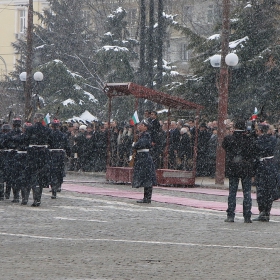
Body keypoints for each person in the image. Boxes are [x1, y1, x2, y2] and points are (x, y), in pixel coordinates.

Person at [222, 119, 257, 223]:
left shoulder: (229, 138)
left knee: (232, 192)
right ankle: (247, 215)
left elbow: (224, 147)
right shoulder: (249, 139)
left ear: (235, 127)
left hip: (233, 167)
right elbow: (253, 152)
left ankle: (230, 215)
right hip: (246, 167)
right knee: (247, 193)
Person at [24, 113, 52, 207]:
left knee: (33, 176)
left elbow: (25, 140)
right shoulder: (47, 130)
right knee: (40, 177)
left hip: (32, 154)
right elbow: (50, 142)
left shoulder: (30, 129)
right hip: (43, 155)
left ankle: (34, 198)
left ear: (35, 119)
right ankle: (38, 199)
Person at [253, 122, 278, 222]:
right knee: (269, 190)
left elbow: (257, 151)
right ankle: (266, 211)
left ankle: (263, 211)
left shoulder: (258, 140)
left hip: (262, 166)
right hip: (272, 166)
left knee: (261, 190)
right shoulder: (274, 139)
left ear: (260, 130)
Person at [131, 120, 157, 203]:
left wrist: (135, 145)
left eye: (142, 125)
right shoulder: (141, 135)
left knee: (147, 179)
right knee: (146, 179)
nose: (139, 126)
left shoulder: (146, 135)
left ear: (146, 127)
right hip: (141, 157)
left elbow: (141, 144)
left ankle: (147, 198)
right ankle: (146, 197)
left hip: (145, 158)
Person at [49, 119, 71, 199]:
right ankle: (58, 185)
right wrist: (69, 154)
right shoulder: (63, 135)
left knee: (52, 172)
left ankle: (53, 188)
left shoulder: (49, 134)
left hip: (52, 154)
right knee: (59, 171)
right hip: (60, 154)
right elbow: (67, 146)